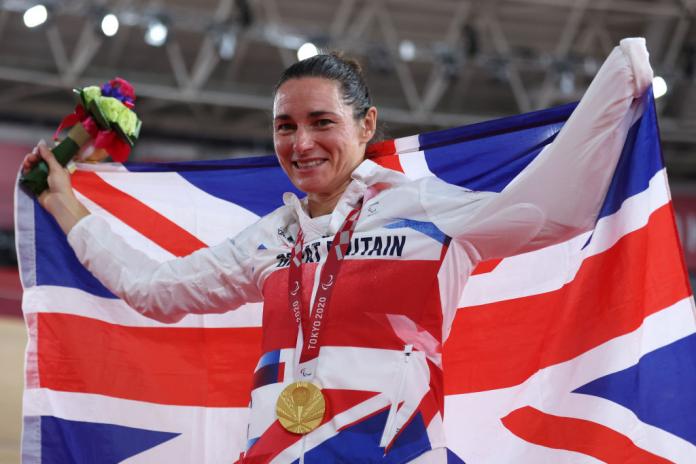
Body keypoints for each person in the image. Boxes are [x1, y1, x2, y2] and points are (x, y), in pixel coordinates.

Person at [22, 38, 653, 463]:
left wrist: (621, 76)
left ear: (366, 126)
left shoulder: (426, 209)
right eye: (285, 126)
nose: (301, 143)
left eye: (322, 122)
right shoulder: (271, 236)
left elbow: (553, 207)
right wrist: (62, 202)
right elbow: (156, 291)